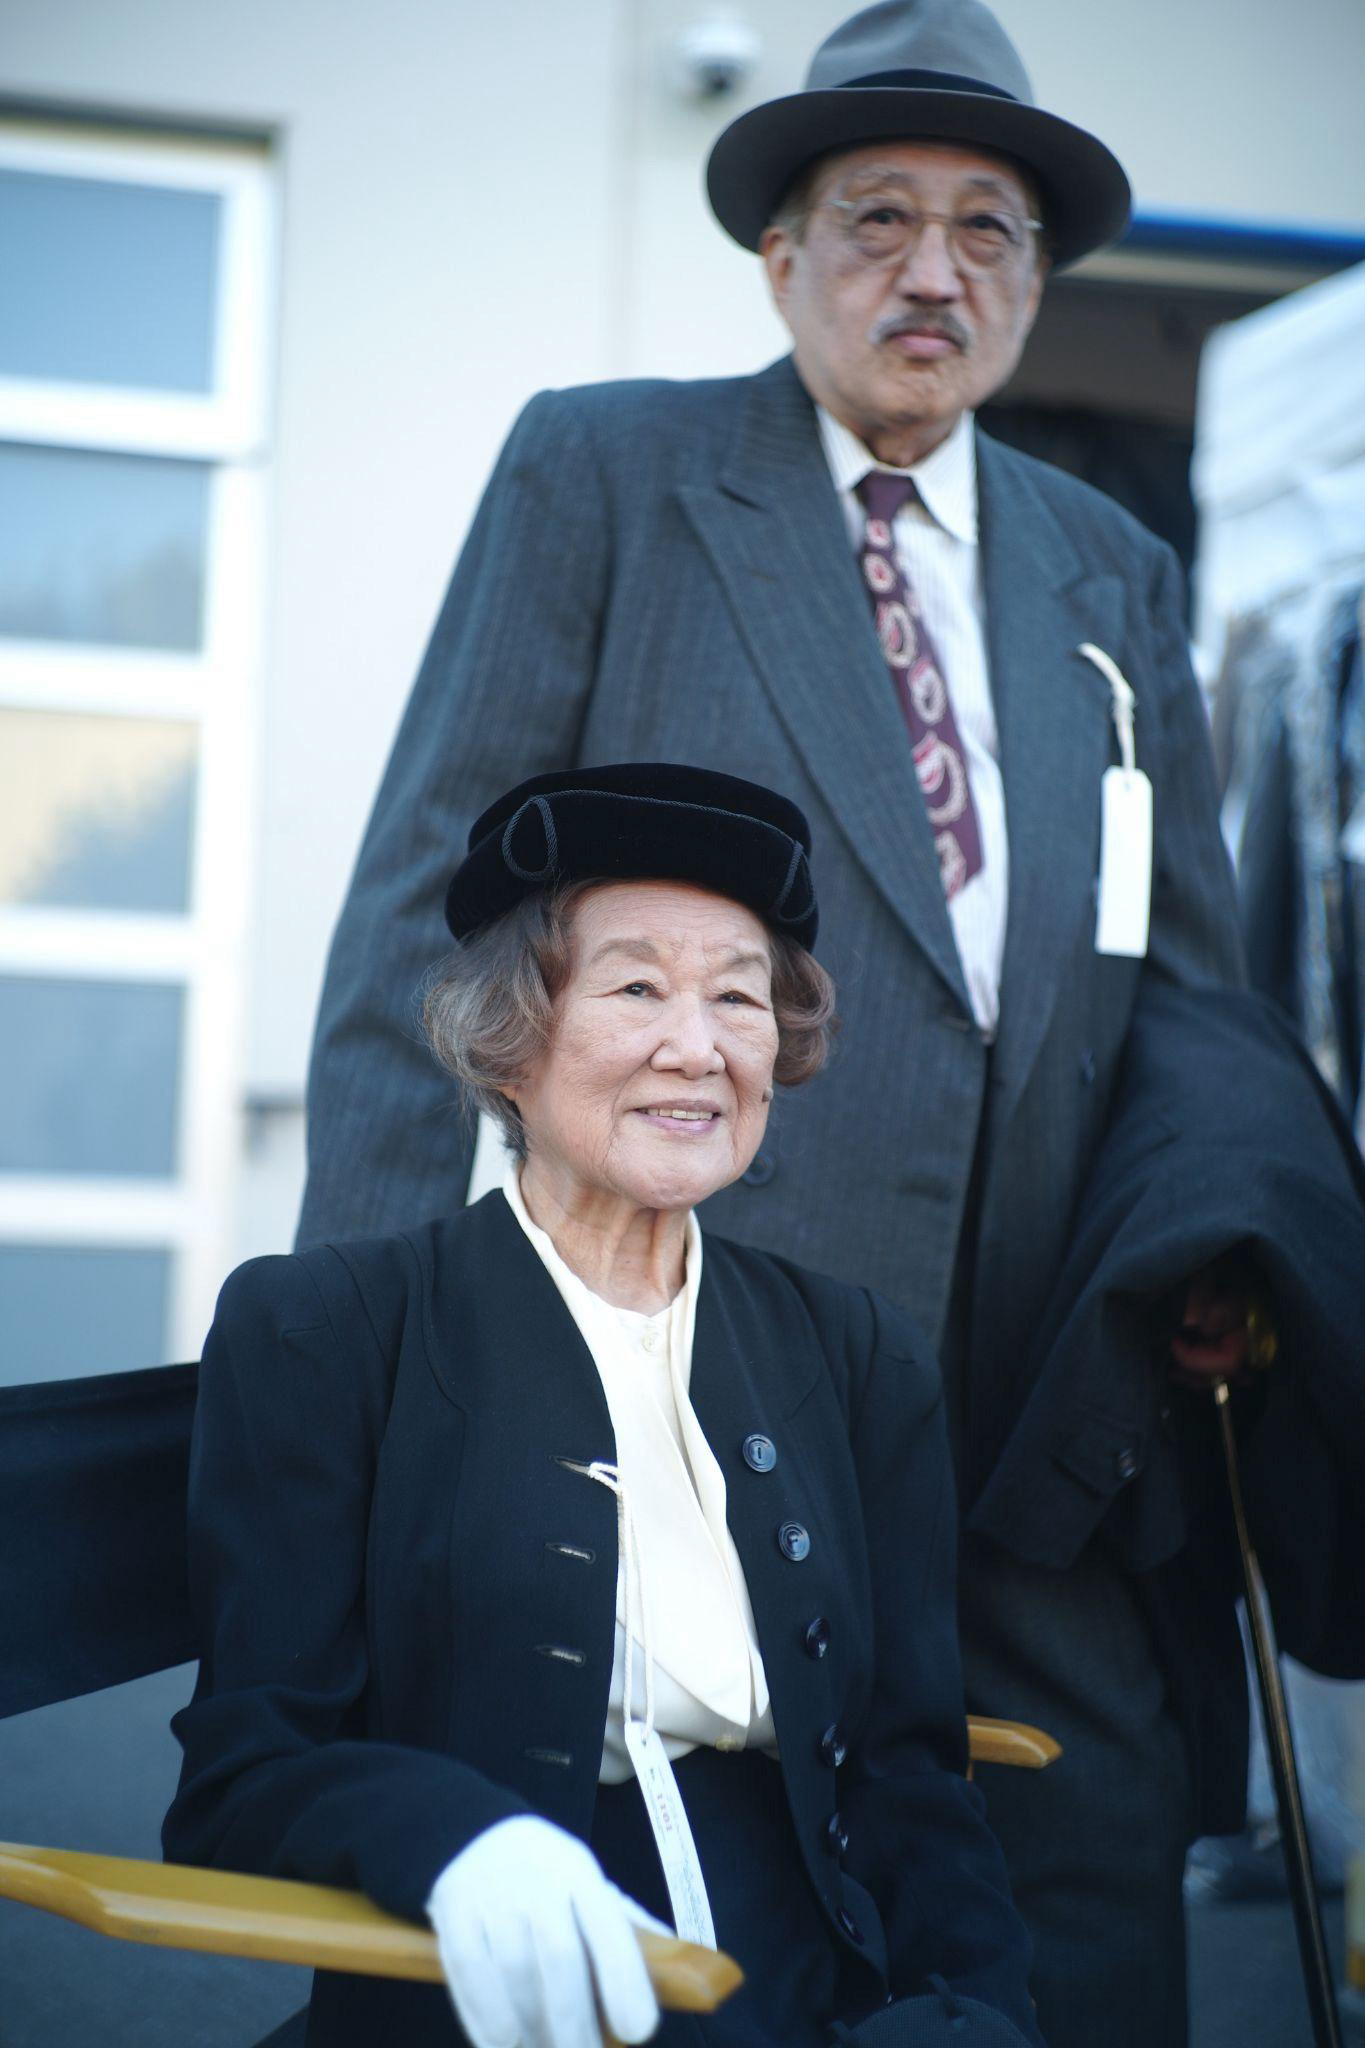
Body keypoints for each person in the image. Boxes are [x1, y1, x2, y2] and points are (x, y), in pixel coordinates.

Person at [297, 5, 1251, 2042]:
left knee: (1084, 1906)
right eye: (880, 217)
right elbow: (418, 916)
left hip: (1051, 1406)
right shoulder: (611, 469)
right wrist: (374, 1344)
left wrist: (1228, 1246)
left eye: (989, 230)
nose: (934, 271)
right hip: (708, 1361)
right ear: (779, 252)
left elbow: (1188, 985)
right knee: (751, 1912)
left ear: (1034, 279)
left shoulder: (1109, 570)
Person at [165, 763, 1045, 2048]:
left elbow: (911, 1774)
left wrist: (975, 2013)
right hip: (501, 1993)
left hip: (816, 1983)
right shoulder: (329, 1329)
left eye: (739, 997)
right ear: (509, 1042)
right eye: (637, 987)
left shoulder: (860, 1356)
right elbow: (243, 1776)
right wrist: (453, 1841)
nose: (698, 1045)